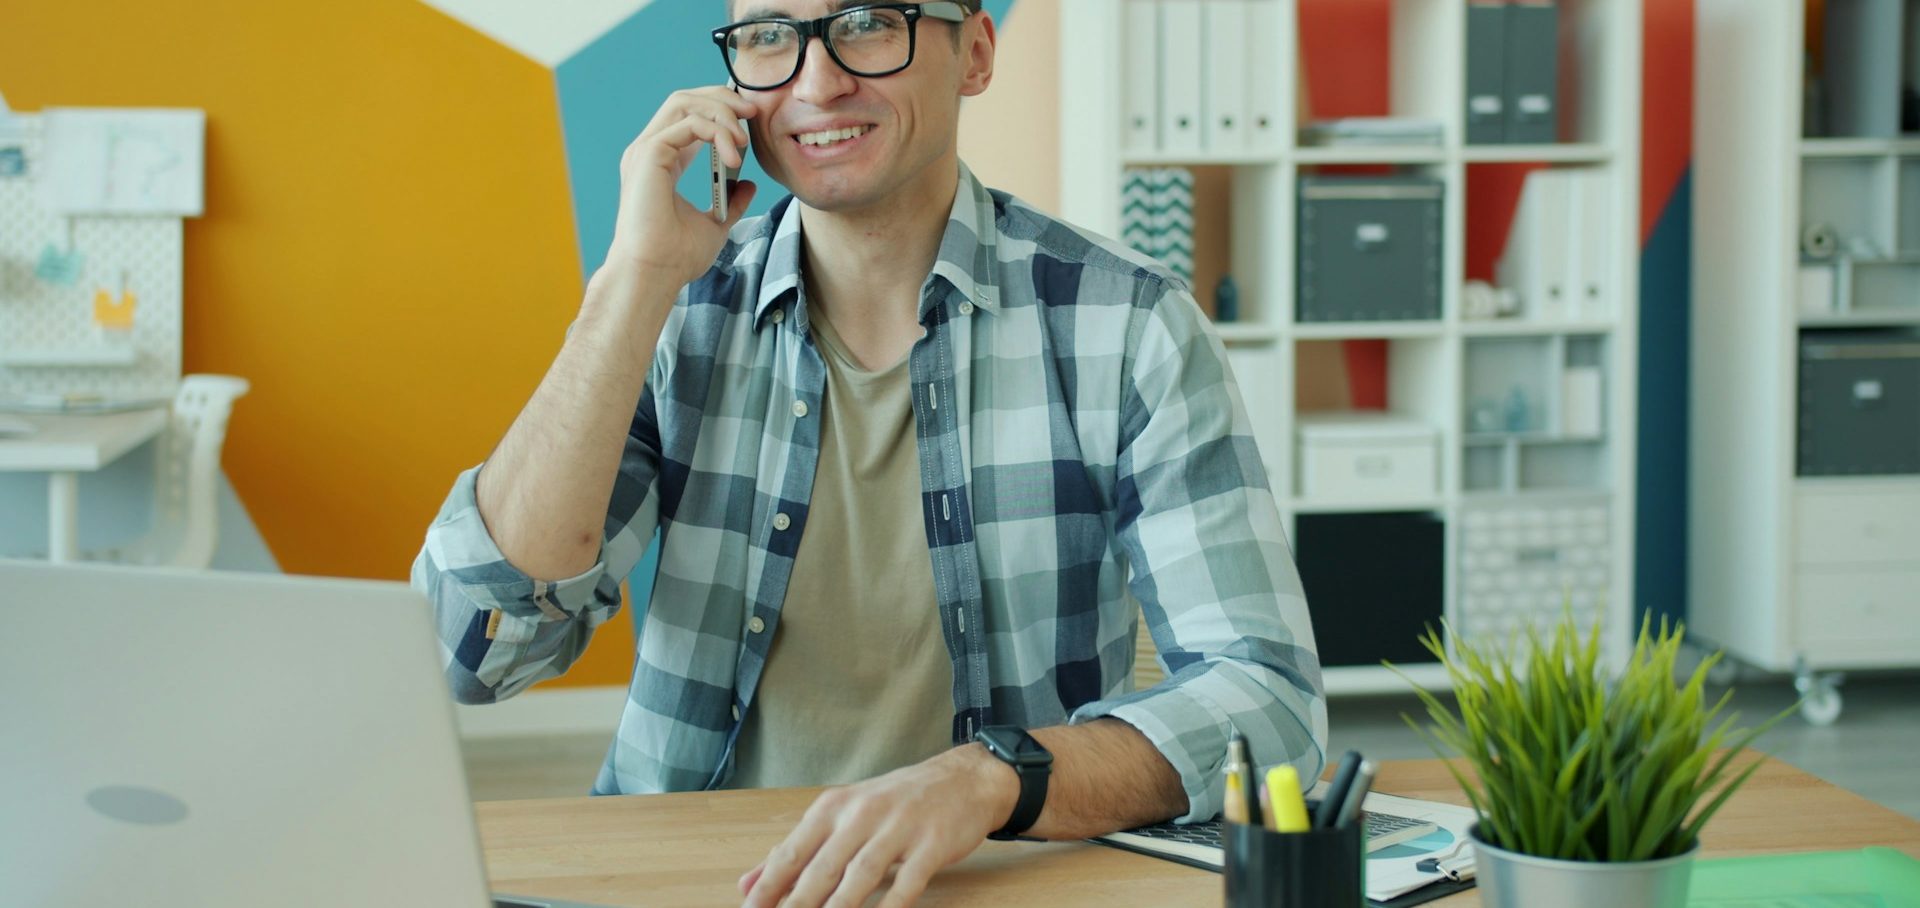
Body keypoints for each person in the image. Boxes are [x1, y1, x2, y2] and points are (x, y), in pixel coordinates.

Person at [411, 2, 1326, 906]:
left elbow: (1269, 700)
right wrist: (630, 282)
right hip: (687, 876)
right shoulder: (672, 311)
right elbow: (470, 653)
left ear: (975, 54)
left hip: (991, 880)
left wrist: (992, 778)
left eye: (867, 22)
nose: (816, 82)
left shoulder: (1129, 324)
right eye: (770, 36)